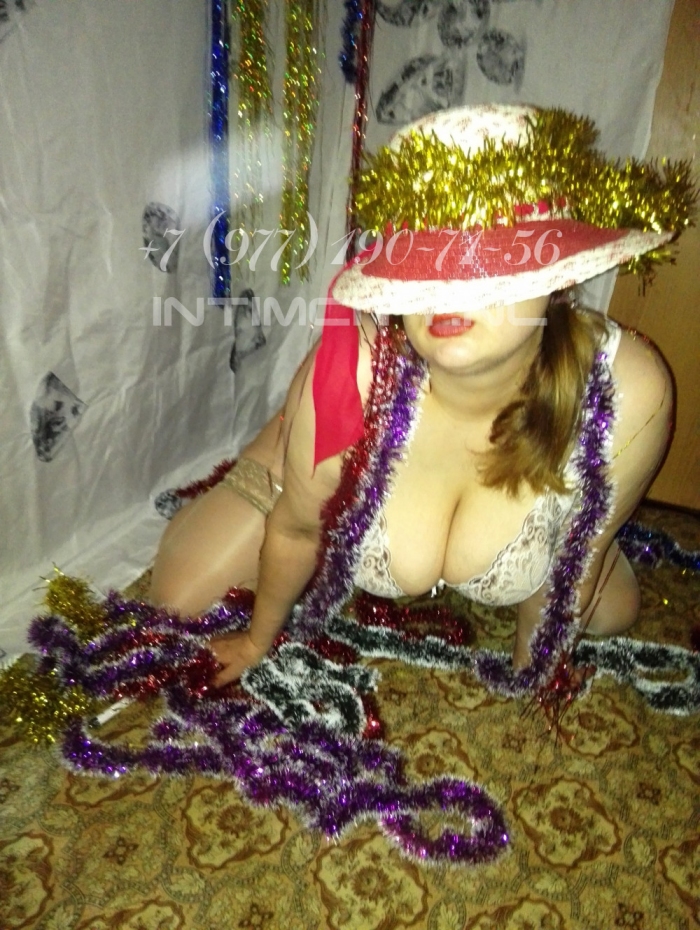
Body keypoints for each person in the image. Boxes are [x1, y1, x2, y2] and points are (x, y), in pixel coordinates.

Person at [149, 105, 693, 692]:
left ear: (560, 275)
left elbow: (575, 565)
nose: (444, 292)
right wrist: (259, 640)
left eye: (487, 258)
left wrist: (528, 674)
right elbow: (299, 531)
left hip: (562, 452)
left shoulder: (624, 391)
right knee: (178, 596)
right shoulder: (359, 374)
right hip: (317, 443)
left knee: (613, 613)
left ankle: (519, 543)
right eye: (423, 262)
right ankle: (284, 442)